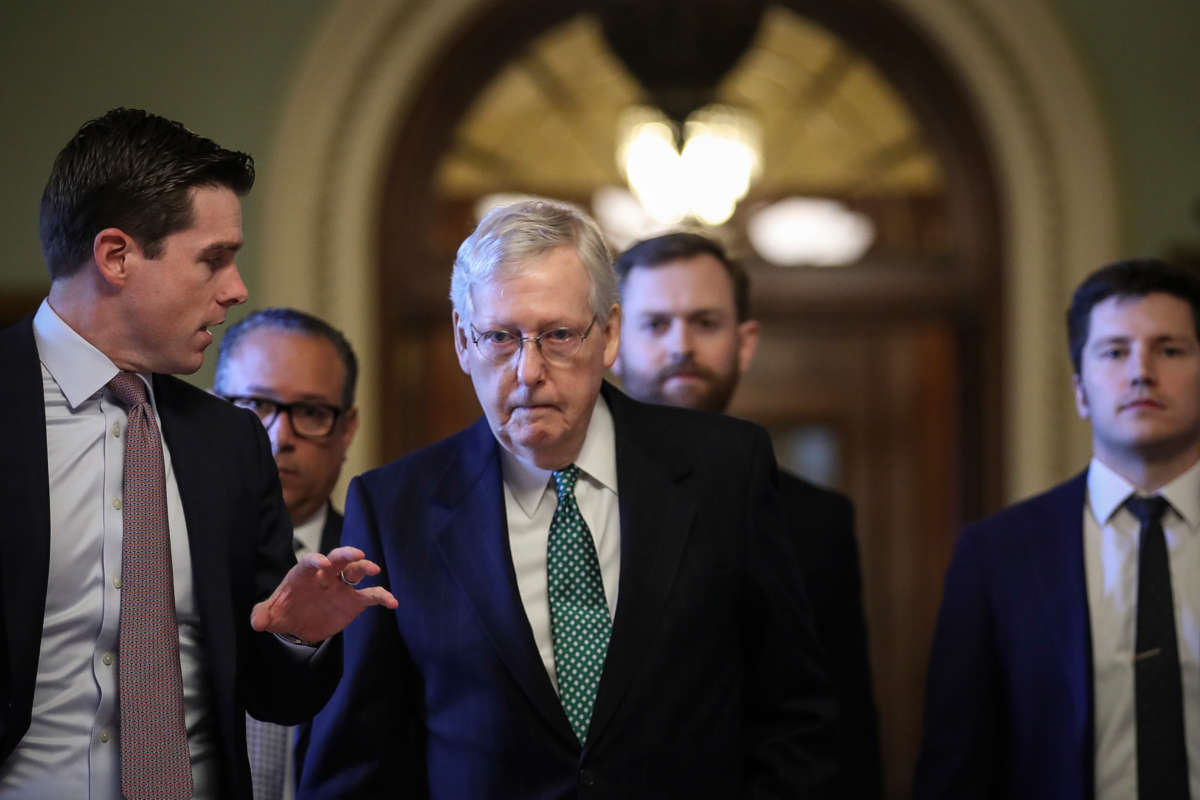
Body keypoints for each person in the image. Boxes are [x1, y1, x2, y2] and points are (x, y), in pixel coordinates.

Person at [298, 198, 835, 797]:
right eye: (500, 337)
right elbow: (359, 760)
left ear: (608, 336)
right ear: (462, 340)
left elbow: (793, 717)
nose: (528, 371)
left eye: (557, 335)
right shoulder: (394, 508)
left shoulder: (726, 470)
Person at [0, 108, 396, 800]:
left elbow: (273, 696)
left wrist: (297, 637)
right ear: (116, 256)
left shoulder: (229, 442)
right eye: (213, 259)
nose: (237, 289)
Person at [915, 258, 1200, 799]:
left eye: (1170, 349)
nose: (1142, 371)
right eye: (1115, 352)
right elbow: (957, 764)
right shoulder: (997, 555)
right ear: (1080, 391)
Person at [612, 231, 883, 797]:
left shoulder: (818, 521)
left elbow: (840, 727)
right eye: (655, 324)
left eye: (705, 322)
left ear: (746, 341)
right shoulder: (568, 499)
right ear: (613, 341)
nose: (680, 344)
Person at [213, 308, 362, 800]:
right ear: (214, 408)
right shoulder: (155, 561)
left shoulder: (386, 572)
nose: (279, 438)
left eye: (312, 413)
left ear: (347, 430)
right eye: (255, 404)